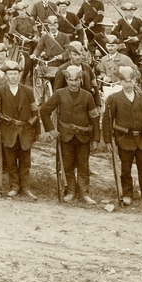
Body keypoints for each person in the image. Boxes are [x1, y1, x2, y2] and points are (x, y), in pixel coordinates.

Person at [102, 65, 142, 209]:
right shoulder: (113, 98)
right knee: (125, 169)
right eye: (125, 81)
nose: (128, 84)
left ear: (135, 81)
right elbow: (107, 120)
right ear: (120, 82)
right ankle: (127, 195)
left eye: (131, 81)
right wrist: (107, 140)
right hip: (124, 140)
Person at [39, 65, 100, 204]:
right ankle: (71, 191)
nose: (73, 83)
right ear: (66, 80)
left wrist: (96, 139)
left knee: (84, 166)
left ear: (81, 81)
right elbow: (44, 111)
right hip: (65, 136)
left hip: (83, 136)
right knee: (67, 165)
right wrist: (51, 129)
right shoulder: (59, 94)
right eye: (70, 80)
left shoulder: (88, 96)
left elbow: (94, 118)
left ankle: (84, 193)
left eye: (77, 80)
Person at [0, 60, 39, 199]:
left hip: (25, 131)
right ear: (6, 75)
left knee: (25, 161)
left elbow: (35, 112)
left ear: (19, 75)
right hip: (8, 131)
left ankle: (25, 188)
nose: (13, 77)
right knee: (10, 161)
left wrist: (36, 133)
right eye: (10, 74)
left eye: (15, 74)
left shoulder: (28, 91)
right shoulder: (0, 91)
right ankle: (14, 187)